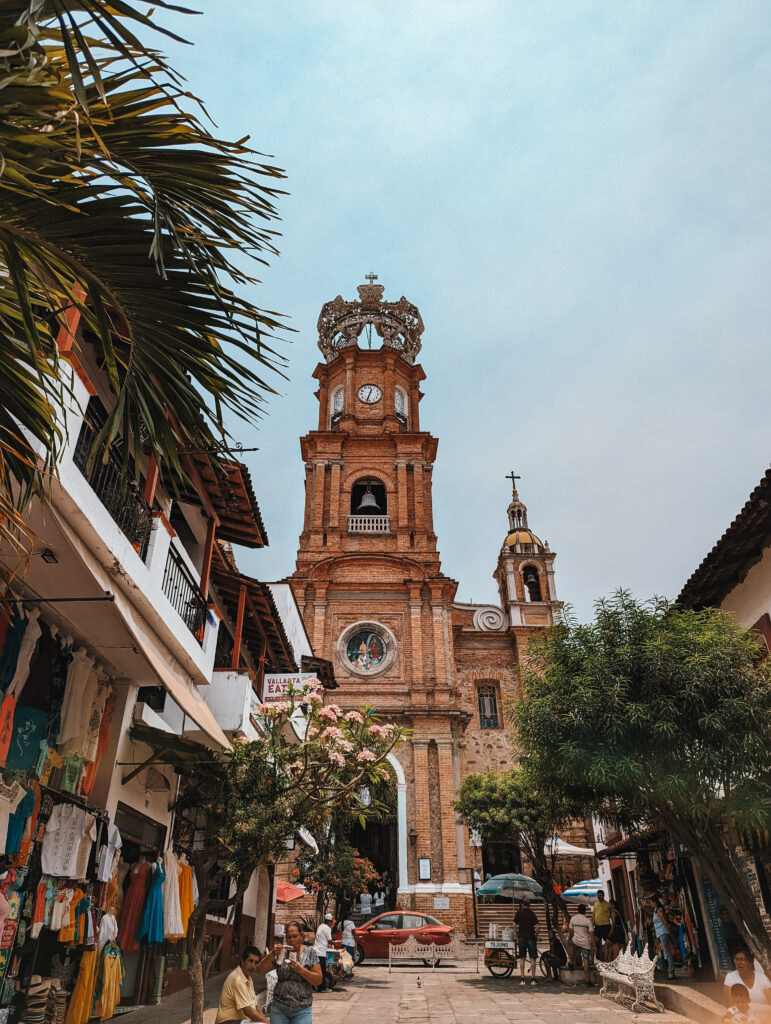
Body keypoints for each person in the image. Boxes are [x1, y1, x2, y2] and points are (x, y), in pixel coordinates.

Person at [258, 920, 322, 1024]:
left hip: (302, 1009)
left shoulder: (310, 952)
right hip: (279, 1008)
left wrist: (301, 970)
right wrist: (272, 954)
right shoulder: (280, 953)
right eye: (288, 937)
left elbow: (318, 980)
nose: (291, 940)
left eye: (295, 936)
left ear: (301, 936)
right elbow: (260, 970)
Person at [216, 946, 269, 1023]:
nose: (253, 966)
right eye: (250, 961)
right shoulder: (237, 979)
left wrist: (265, 1021)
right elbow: (248, 1011)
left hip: (240, 1021)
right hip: (227, 1021)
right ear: (242, 961)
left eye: (256, 963)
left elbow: (256, 1007)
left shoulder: (248, 978)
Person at [514, 896, 539, 986]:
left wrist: (517, 934)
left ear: (522, 904)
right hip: (531, 938)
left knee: (522, 959)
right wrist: (536, 935)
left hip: (522, 938)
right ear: (529, 905)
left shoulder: (518, 912)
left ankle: (522, 978)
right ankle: (533, 978)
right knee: (532, 959)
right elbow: (537, 927)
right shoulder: (532, 913)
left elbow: (514, 925)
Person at [569, 903, 595, 986]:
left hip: (576, 941)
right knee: (586, 960)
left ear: (578, 910)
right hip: (585, 943)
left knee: (572, 945)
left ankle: (571, 962)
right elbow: (591, 934)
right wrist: (593, 945)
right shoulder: (588, 921)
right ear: (585, 911)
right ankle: (587, 980)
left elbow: (570, 930)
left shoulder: (573, 918)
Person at [649, 897, 675, 980]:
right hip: (661, 933)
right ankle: (670, 971)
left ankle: (671, 972)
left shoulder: (658, 910)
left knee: (667, 953)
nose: (650, 904)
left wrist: (669, 932)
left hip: (663, 932)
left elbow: (664, 921)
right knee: (666, 953)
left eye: (651, 902)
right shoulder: (655, 910)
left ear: (654, 902)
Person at [313, 914, 334, 991]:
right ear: (329, 921)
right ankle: (322, 988)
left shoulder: (320, 926)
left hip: (316, 951)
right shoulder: (327, 928)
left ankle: (316, 986)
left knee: (317, 970)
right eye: (331, 921)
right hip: (321, 952)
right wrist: (336, 942)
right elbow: (330, 941)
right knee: (322, 971)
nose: (332, 923)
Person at [593, 890, 611, 960]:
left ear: (603, 895)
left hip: (606, 926)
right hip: (597, 926)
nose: (599, 897)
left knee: (607, 945)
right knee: (594, 942)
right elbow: (594, 915)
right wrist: (592, 923)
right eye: (598, 895)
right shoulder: (595, 904)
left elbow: (610, 915)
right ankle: (595, 959)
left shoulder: (607, 904)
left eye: (600, 895)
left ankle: (606, 960)